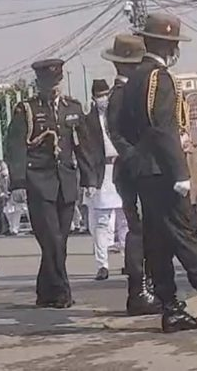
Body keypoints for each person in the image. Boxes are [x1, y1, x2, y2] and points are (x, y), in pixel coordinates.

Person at [120, 13, 197, 332]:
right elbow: (165, 128)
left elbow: (121, 128)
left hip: (146, 171)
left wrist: (138, 156)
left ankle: (171, 307)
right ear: (166, 44)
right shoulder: (161, 78)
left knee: (158, 241)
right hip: (165, 170)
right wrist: (179, 171)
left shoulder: (133, 79)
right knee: (184, 232)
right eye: (173, 43)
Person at [5, 59, 94, 308]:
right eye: (48, 83)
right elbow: (15, 148)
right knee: (52, 240)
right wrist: (18, 183)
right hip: (39, 183)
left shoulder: (72, 108)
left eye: (57, 82)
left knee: (60, 241)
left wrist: (89, 179)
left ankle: (45, 291)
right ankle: (62, 292)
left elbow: (82, 146)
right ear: (39, 84)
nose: (53, 88)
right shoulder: (27, 110)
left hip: (66, 182)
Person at [102, 33, 160, 316]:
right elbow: (116, 133)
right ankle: (138, 290)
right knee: (137, 231)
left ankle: (148, 284)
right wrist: (136, 159)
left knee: (147, 229)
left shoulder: (129, 91)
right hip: (132, 172)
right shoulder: (121, 94)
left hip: (138, 169)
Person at [84, 78, 127, 281]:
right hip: (101, 173)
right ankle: (102, 265)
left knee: (125, 220)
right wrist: (90, 181)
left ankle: (130, 261)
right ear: (94, 98)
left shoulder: (118, 113)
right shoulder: (88, 121)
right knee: (102, 223)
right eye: (99, 96)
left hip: (121, 167)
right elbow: (86, 153)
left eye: (105, 95)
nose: (103, 99)